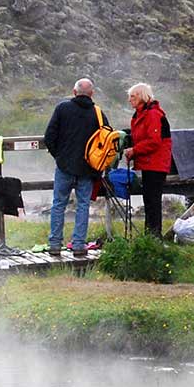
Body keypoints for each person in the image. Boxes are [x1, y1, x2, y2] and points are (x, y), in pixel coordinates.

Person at [43, 78, 111, 259]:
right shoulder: (98, 113)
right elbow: (107, 142)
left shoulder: (62, 109)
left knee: (58, 204)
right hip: (88, 169)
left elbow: (49, 136)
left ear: (74, 92)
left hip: (64, 166)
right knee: (83, 205)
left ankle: (55, 244)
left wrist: (59, 156)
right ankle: (79, 245)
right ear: (92, 94)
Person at [124, 82, 173, 237]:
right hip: (149, 163)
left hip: (156, 164)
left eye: (132, 96)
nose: (129, 100)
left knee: (152, 201)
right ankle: (150, 236)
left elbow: (154, 141)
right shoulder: (142, 114)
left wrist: (134, 150)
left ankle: (154, 236)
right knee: (149, 201)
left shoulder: (152, 114)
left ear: (141, 96)